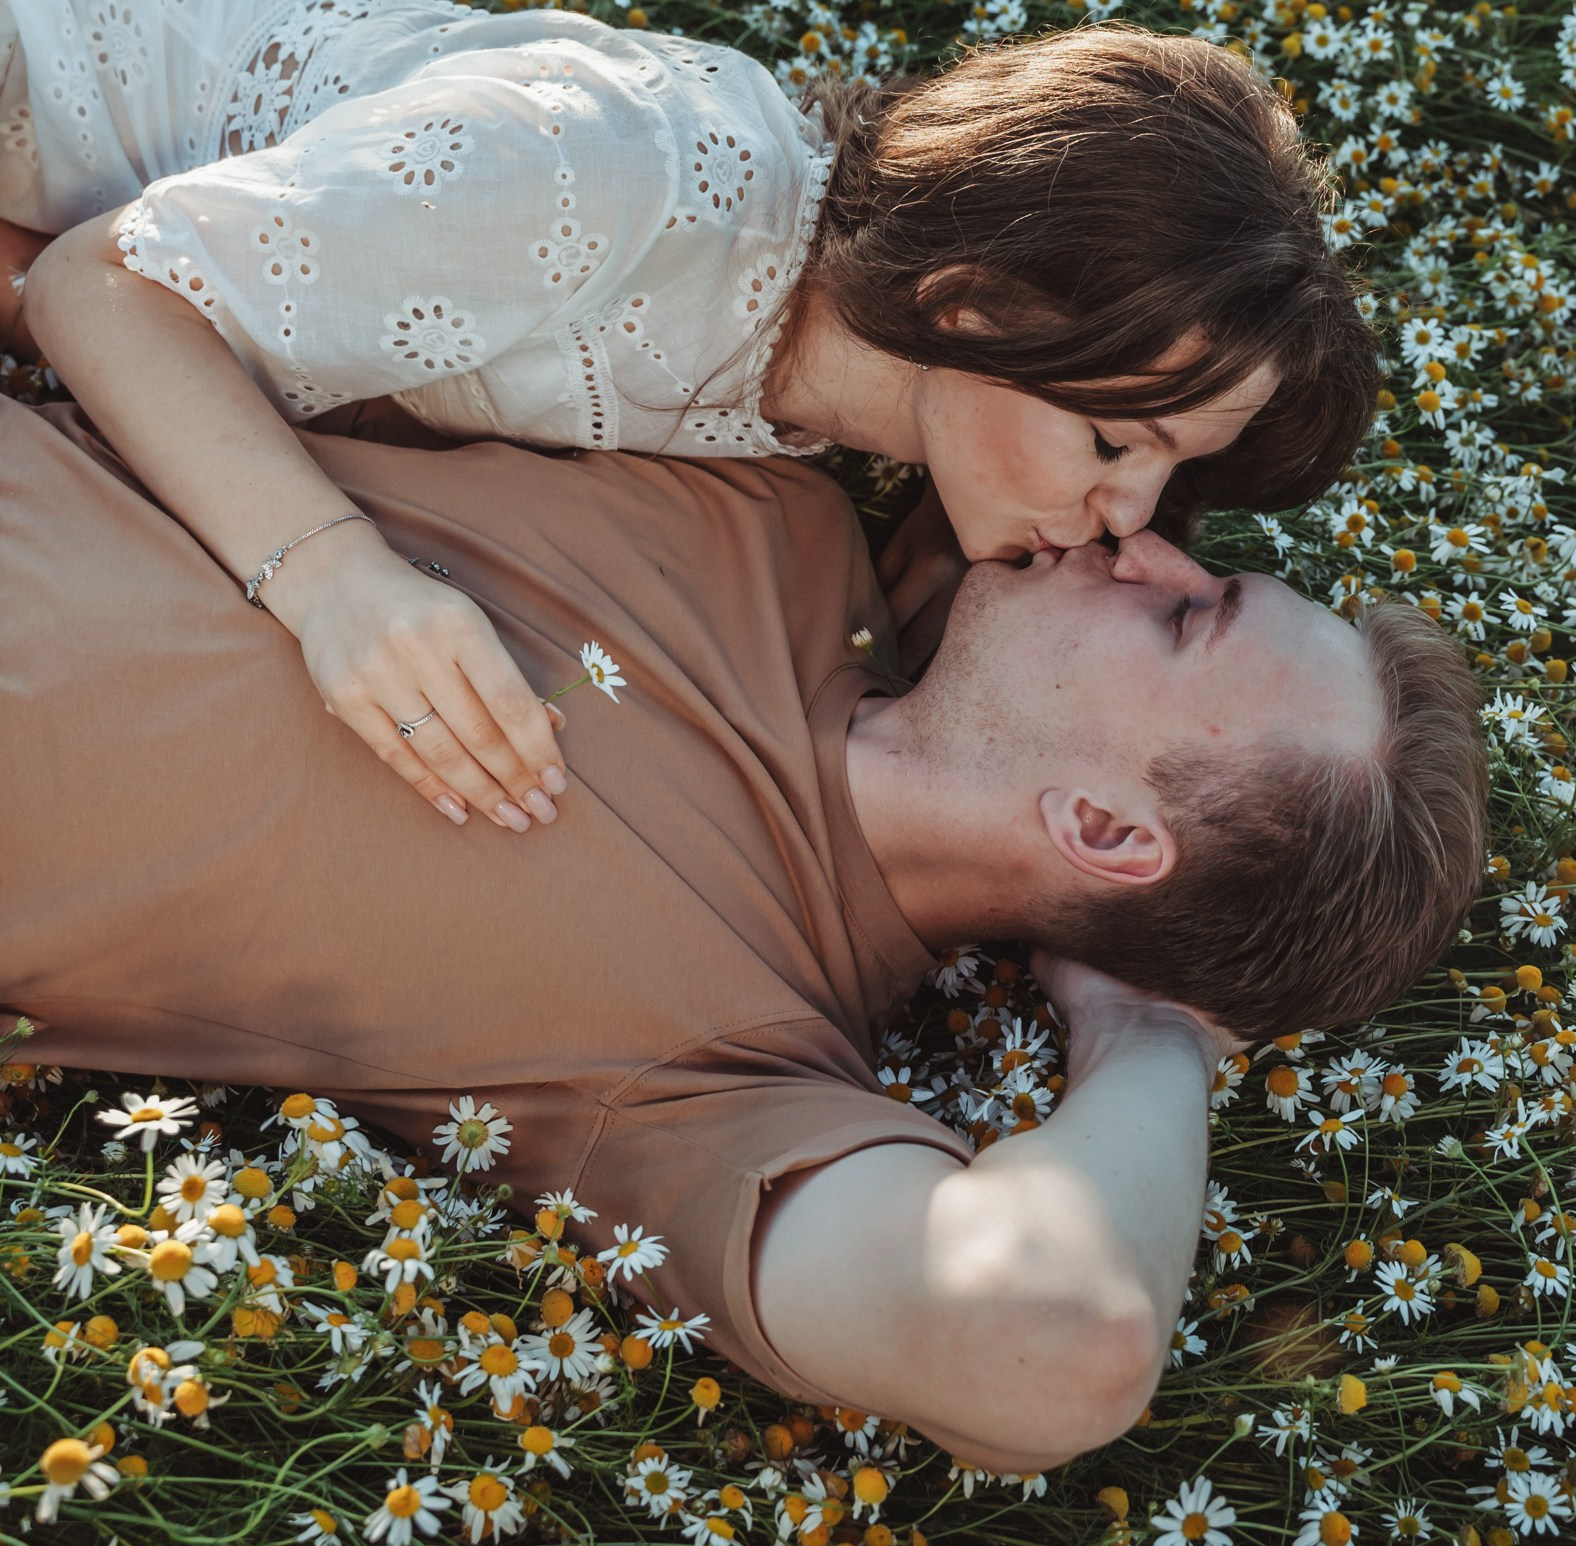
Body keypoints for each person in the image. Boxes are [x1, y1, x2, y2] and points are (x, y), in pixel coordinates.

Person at [0, 392, 1485, 1473]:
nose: (1146, 546)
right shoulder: (779, 504)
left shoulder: (732, 1071)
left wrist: (1146, 1034)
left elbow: (1053, 1340)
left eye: (1187, 619)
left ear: (1102, 831)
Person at [0, 0, 1375, 838]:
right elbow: (103, 286)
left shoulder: (836, 415)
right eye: (1117, 441)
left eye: (1169, 467)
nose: (1132, 522)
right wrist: (336, 583)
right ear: (973, 308)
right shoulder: (606, 177)